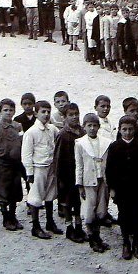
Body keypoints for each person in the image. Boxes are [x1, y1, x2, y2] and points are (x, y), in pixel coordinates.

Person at [106, 116, 138, 260]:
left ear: (135, 130)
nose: (127, 132)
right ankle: (126, 242)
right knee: (123, 215)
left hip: (137, 188)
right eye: (124, 129)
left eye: (130, 129)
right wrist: (112, 188)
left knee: (137, 214)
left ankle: (136, 242)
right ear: (119, 130)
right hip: (121, 189)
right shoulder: (114, 147)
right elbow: (110, 170)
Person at [21, 100, 61, 239]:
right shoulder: (31, 132)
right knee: (36, 196)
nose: (46, 114)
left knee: (50, 193)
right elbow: (26, 154)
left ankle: (50, 222)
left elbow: (58, 140)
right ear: (36, 113)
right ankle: (35, 226)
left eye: (48, 112)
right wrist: (29, 173)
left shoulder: (52, 129)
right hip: (39, 168)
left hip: (51, 166)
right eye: (43, 112)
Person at [75, 112, 112, 253]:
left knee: (101, 210)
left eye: (95, 125)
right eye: (89, 126)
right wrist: (80, 185)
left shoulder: (105, 142)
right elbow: (79, 165)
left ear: (99, 127)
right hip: (88, 182)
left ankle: (98, 236)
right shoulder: (80, 144)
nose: (92, 129)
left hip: (102, 180)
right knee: (89, 211)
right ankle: (92, 239)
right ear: (84, 127)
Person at [0, 98, 24, 231]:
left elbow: (21, 144)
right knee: (3, 192)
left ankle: (13, 215)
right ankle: (6, 218)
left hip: (16, 164)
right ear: (0, 111)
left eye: (11, 110)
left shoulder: (17, 126)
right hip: (3, 165)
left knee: (15, 191)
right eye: (5, 110)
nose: (9, 113)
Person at [53, 102, 85, 243]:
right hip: (67, 173)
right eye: (70, 115)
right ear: (64, 117)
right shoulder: (63, 135)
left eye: (76, 114)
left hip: (80, 172)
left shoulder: (83, 132)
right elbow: (58, 158)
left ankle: (79, 225)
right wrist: (59, 177)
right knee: (67, 201)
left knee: (78, 201)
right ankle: (69, 227)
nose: (74, 117)